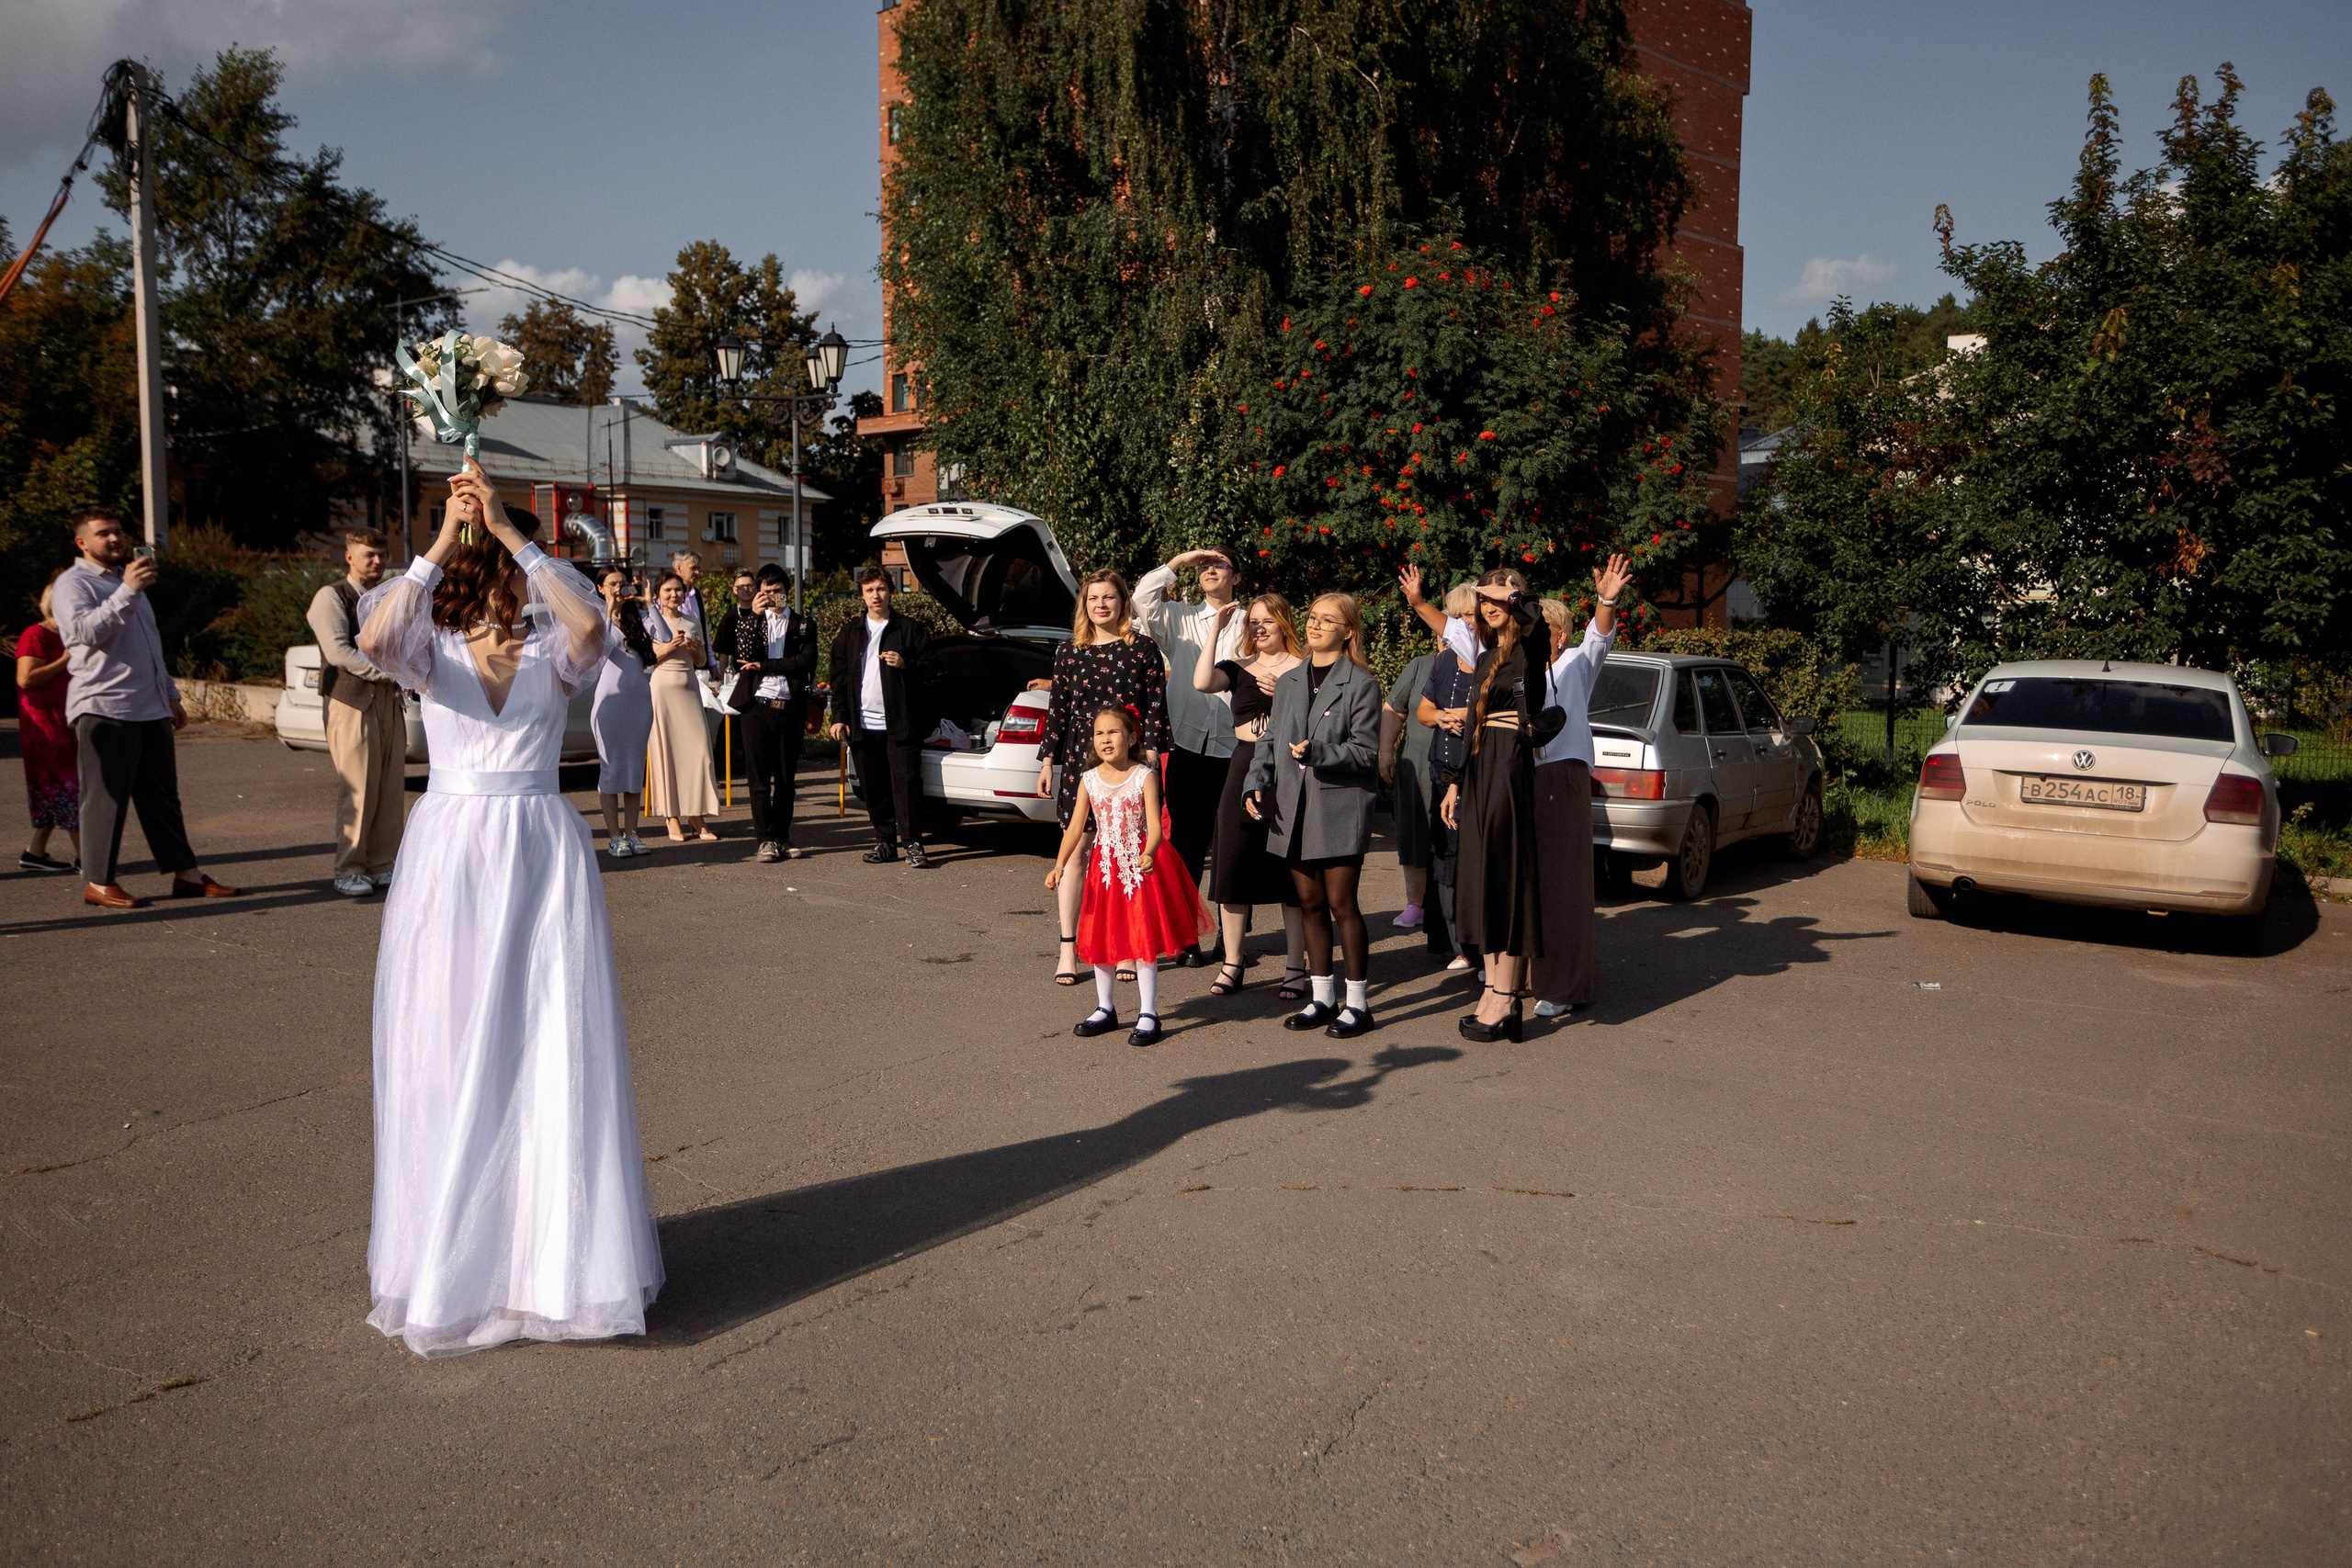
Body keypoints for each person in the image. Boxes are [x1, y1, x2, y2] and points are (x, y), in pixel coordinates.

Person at [355, 457, 663, 1356]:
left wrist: (506, 528)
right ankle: (457, 1260)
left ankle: (548, 1265)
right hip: (453, 852)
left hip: (537, 847)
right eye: (475, 558)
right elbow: (373, 641)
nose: (481, 569)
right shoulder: (429, 648)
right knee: (453, 1045)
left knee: (546, 1043)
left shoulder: (551, 647)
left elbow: (595, 624)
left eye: (482, 554)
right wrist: (441, 539)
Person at [53, 509, 240, 909]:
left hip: (149, 705)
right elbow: (83, 633)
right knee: (105, 798)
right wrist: (127, 591)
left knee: (162, 798)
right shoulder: (73, 583)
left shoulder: (128, 583)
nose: (115, 539)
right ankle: (99, 882)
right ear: (82, 543)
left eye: (118, 531)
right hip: (105, 706)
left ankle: (186, 876)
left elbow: (150, 648)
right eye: (103, 533)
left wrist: (170, 696)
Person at [1244, 592, 1384, 1039]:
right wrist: (1255, 780)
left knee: (1342, 904)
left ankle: (1358, 1004)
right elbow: (1268, 742)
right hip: (1292, 806)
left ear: (1348, 631)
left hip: (1338, 806)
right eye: (1312, 617)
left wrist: (1321, 752)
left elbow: (1367, 752)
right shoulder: (1289, 681)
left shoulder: (1361, 682)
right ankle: (1322, 998)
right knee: (1308, 904)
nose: (1316, 625)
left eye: (1328, 620)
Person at [1045, 705, 1212, 1047]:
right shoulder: (1089, 779)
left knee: (1141, 939)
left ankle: (1148, 1012)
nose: (1105, 739)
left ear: (1132, 737)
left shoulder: (1145, 775)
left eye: (1113, 732)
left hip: (1138, 868)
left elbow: (1154, 826)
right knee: (1103, 935)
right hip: (1103, 870)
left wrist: (1149, 853)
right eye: (1099, 734)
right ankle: (1105, 1008)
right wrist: (1060, 865)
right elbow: (1076, 826)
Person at [1034, 570, 1169, 983]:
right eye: (1094, 599)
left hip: (1130, 767)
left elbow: (1155, 710)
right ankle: (1069, 950)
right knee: (1076, 853)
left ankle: (1126, 947)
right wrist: (1046, 761)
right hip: (1079, 761)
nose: (1101, 605)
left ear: (1122, 602)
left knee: (1126, 854)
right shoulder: (1068, 651)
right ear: (1084, 604)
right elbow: (1057, 710)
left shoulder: (1142, 648)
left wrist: (1150, 765)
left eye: (1109, 597)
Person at [1192, 592, 1308, 999]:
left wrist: (1287, 693)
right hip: (1243, 763)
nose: (1259, 629)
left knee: (1290, 868)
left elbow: (1315, 722)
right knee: (1233, 861)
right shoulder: (1238, 667)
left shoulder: (1304, 667)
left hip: (1288, 769)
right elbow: (1201, 682)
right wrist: (1216, 631)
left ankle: (1296, 966)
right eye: (1253, 622)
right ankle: (1233, 961)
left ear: (1284, 625)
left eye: (1268, 622)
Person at [1527, 559, 1631, 1019]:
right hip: (1522, 780)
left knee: (1562, 888)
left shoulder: (1574, 664)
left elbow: (1599, 639)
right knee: (1527, 885)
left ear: (1560, 634)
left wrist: (1605, 601)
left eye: (1540, 629)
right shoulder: (1518, 670)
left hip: (1563, 779)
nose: (1530, 635)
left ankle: (1564, 986)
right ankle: (1519, 976)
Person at [1132, 547, 1244, 965]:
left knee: (1234, 847)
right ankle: (1186, 936)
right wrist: (1180, 561)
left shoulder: (1252, 620)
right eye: (1205, 567)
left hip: (1238, 748)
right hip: (1187, 746)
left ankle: (1233, 943)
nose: (1210, 570)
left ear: (1236, 577)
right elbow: (1142, 598)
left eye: (1219, 565)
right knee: (1187, 846)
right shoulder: (1178, 617)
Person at [306, 528, 406, 896]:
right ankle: (348, 868)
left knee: (390, 789)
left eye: (381, 554)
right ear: (349, 557)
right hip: (350, 701)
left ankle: (382, 865)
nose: (377, 561)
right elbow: (338, 654)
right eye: (369, 554)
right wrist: (391, 673)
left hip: (388, 701)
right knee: (359, 791)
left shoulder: (386, 598)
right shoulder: (331, 596)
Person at [828, 566, 935, 867]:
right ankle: (884, 841)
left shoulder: (908, 628)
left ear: (891, 591)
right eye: (870, 590)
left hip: (900, 724)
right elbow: (839, 679)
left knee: (907, 785)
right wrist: (839, 716)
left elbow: (931, 667)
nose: (876, 595)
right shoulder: (851, 632)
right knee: (873, 787)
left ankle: (913, 844)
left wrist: (906, 664)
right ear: (862, 595)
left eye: (881, 589)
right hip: (862, 725)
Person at [720, 563, 818, 863]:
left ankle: (782, 837)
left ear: (787, 593)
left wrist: (766, 667)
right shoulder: (751, 622)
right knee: (759, 779)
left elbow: (805, 662)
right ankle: (765, 839)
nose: (772, 596)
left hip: (789, 706)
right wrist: (754, 615)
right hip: (756, 706)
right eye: (765, 592)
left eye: (777, 591)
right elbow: (743, 656)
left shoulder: (802, 624)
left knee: (786, 779)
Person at [1416, 582, 1484, 973]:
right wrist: (1441, 716)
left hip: (1476, 776)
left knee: (1469, 861)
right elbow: (1424, 710)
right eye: (1455, 616)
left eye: (1469, 615)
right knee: (1443, 859)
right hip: (1440, 773)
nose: (1462, 623)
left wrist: (1471, 716)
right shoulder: (1442, 663)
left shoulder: (1493, 662)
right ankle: (1459, 946)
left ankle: (1479, 948)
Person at [642, 571, 721, 841]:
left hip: (688, 688)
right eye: (668, 591)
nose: (673, 595)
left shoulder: (692, 620)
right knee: (667, 754)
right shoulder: (651, 620)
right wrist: (670, 645)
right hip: (662, 689)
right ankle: (671, 816)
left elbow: (699, 661)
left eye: (677, 590)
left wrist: (696, 647)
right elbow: (648, 659)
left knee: (699, 751)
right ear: (658, 595)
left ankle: (696, 815)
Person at [14, 575, 79, 873]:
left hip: (69, 721)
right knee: (71, 786)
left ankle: (35, 853)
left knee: (55, 789)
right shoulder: (36, 634)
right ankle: (88, 858)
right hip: (46, 727)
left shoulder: (71, 634)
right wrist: (65, 659)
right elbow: (25, 678)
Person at [591, 566, 655, 858]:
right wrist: (609, 608)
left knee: (633, 770)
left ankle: (633, 833)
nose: (619, 588)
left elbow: (663, 635)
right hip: (610, 703)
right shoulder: (597, 618)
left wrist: (648, 603)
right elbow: (597, 646)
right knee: (611, 769)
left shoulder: (636, 618)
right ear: (601, 587)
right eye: (612, 584)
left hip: (639, 703)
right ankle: (614, 836)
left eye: (622, 583)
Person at [1381, 649, 1437, 933]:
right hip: (1415, 763)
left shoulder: (1483, 662)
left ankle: (1446, 905)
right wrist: (1385, 752)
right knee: (1413, 832)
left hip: (1458, 767)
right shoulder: (1420, 665)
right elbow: (1393, 708)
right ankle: (1415, 904)